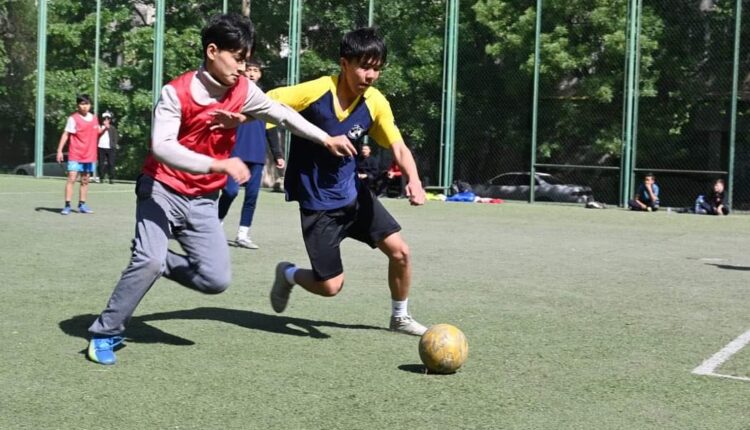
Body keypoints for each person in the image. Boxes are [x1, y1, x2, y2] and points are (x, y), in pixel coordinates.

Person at [85, 14, 356, 365]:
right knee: (147, 259)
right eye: (238, 58)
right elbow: (162, 147)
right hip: (161, 189)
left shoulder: (242, 90)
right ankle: (105, 331)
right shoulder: (175, 93)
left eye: (246, 60)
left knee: (215, 280)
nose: (243, 68)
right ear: (212, 51)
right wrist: (218, 165)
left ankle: (157, 260)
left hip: (202, 199)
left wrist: (325, 138)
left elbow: (282, 113)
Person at [265, 27, 429, 336]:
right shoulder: (317, 90)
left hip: (354, 197)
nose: (371, 75)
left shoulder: (375, 102)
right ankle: (288, 274)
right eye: (364, 67)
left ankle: (400, 317)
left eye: (377, 69)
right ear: (344, 64)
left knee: (401, 252)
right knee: (330, 287)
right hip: (318, 206)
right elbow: (269, 100)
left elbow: (398, 146)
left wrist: (415, 179)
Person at [217, 58, 285, 249]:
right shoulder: (233, 94)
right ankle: (215, 227)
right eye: (249, 70)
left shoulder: (265, 99)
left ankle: (243, 234)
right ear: (243, 71)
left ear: (260, 74)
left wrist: (278, 154)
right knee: (230, 192)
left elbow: (271, 128)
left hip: (256, 155)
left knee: (252, 196)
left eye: (256, 70)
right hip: (235, 153)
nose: (252, 73)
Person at [56, 94, 100, 215]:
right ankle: (67, 205)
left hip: (89, 155)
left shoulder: (94, 118)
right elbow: (66, 134)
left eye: (87, 104)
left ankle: (82, 204)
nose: (84, 106)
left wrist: (105, 128)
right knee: (72, 178)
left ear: (90, 105)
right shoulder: (73, 118)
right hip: (76, 154)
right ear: (78, 105)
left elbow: (97, 132)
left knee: (85, 180)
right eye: (82, 104)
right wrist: (59, 150)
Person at [95, 111, 119, 184]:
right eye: (104, 119)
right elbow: (97, 134)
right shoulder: (99, 127)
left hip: (110, 148)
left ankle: (111, 178)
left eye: (107, 119)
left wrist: (114, 145)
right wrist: (104, 128)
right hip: (101, 147)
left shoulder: (112, 128)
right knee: (101, 163)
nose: (106, 120)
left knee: (111, 163)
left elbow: (115, 137)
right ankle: (101, 177)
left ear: (109, 120)